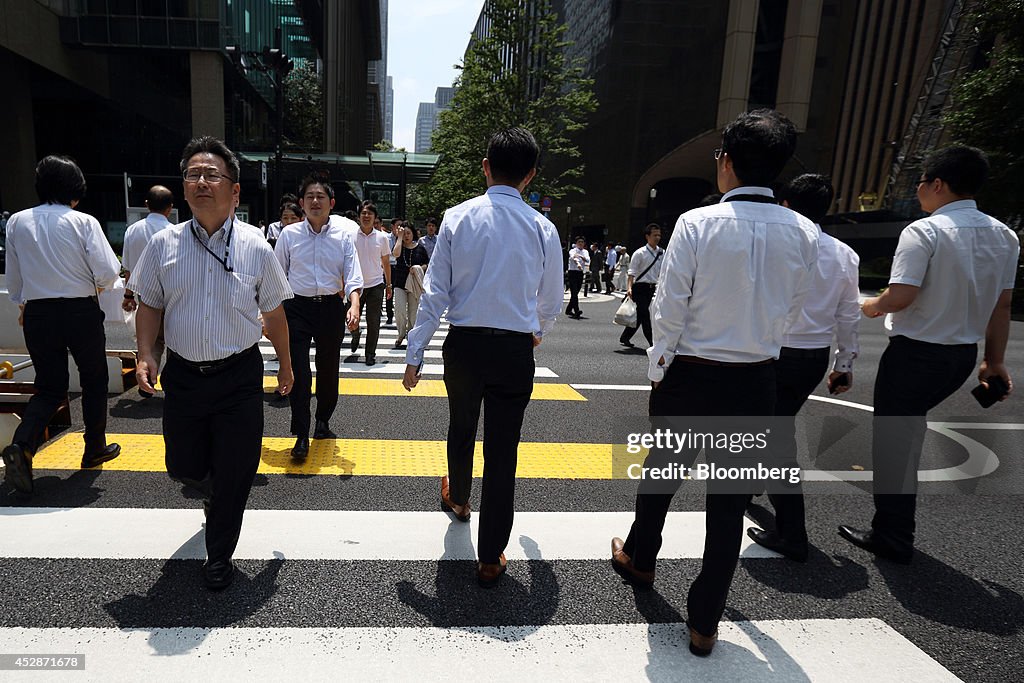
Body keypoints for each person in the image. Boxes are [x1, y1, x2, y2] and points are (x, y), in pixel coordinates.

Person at [609, 109, 818, 657]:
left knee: (662, 475)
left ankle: (640, 556)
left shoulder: (696, 224)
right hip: (755, 380)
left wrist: (658, 372)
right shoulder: (805, 232)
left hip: (692, 375)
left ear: (725, 161)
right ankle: (705, 623)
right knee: (728, 505)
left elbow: (671, 309)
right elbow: (794, 311)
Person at [840, 145, 1019, 564]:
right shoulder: (1004, 235)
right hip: (960, 357)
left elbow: (902, 295)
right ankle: (894, 530)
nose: (920, 189)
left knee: (895, 444)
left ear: (937, 184)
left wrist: (871, 306)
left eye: (921, 181)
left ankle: (893, 536)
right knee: (907, 436)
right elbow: (1003, 305)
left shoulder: (925, 231)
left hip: (916, 355)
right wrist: (994, 361)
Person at [129, 136, 294, 590]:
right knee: (182, 465)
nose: (202, 182)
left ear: (235, 191)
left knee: (238, 470)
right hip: (184, 375)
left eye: (212, 175)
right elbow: (150, 306)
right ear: (184, 188)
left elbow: (276, 312)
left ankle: (219, 555)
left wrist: (285, 363)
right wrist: (146, 354)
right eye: (193, 175)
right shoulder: (162, 245)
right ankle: (215, 494)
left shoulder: (257, 247)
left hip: (239, 376)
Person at [402, 127, 562, 587]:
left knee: (461, 422)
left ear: (486, 166)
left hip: (465, 345)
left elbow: (435, 292)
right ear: (530, 175)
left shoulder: (457, 218)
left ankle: (458, 499)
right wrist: (537, 333)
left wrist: (416, 353)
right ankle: (491, 555)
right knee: (503, 449)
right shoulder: (543, 227)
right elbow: (551, 299)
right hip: (514, 348)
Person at [746, 174, 860, 562]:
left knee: (773, 439)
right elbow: (849, 314)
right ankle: (751, 489)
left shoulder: (778, 244)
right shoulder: (844, 253)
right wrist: (844, 363)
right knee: (773, 428)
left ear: (787, 205)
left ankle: (793, 532)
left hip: (773, 353)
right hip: (813, 357)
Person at [2, 155, 123, 494]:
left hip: (38, 311)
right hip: (80, 311)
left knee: (50, 387)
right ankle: (94, 447)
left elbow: (14, 278)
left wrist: (24, 302)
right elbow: (108, 271)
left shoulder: (17, 222)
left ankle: (23, 445)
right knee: (94, 379)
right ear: (75, 190)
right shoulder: (83, 222)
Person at [275, 175, 362, 461]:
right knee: (300, 371)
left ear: (331, 203)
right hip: (296, 308)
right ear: (301, 203)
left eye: (320, 197)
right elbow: (277, 277)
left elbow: (353, 274)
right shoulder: (289, 235)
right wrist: (270, 317)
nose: (315, 201)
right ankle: (301, 433)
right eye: (309, 197)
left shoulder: (343, 237)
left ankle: (323, 419)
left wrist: (354, 304)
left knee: (328, 369)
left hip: (330, 308)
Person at [121, 185, 175, 396]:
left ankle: (148, 378)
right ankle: (173, 383)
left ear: (146, 205)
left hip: (145, 296)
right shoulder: (173, 232)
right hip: (171, 295)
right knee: (175, 341)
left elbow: (128, 267)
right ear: (170, 208)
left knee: (152, 342)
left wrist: (128, 295)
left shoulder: (132, 231)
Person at [349, 201, 392, 365]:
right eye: (363, 213)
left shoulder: (382, 237)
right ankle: (355, 334)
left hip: (375, 285)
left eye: (369, 214)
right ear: (359, 216)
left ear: (375, 217)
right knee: (351, 320)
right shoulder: (351, 236)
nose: (366, 216)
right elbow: (345, 261)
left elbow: (386, 263)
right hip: (355, 286)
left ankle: (370, 354)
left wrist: (389, 285)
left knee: (373, 321)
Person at [619, 224, 663, 348]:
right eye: (655, 235)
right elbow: (631, 273)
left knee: (639, 314)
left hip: (651, 287)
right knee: (645, 315)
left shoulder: (661, 253)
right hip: (639, 288)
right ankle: (652, 343)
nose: (657, 238)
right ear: (647, 236)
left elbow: (662, 272)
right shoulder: (639, 253)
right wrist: (629, 288)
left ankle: (625, 337)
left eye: (659, 235)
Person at [391, 222, 430, 348]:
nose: (407, 236)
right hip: (400, 283)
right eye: (404, 233)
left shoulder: (420, 248)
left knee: (413, 313)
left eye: (408, 233)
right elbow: (395, 254)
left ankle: (411, 335)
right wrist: (400, 237)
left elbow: (427, 264)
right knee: (399, 310)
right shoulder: (399, 246)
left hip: (414, 284)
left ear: (413, 233)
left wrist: (418, 268)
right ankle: (401, 333)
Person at [565, 237, 588, 318]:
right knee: (574, 292)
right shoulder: (573, 250)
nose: (581, 243)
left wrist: (581, 257)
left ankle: (568, 309)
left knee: (576, 292)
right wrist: (578, 263)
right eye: (579, 242)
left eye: (582, 242)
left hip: (580, 273)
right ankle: (576, 310)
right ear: (576, 243)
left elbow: (587, 260)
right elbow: (573, 257)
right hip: (572, 272)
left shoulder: (585, 251)